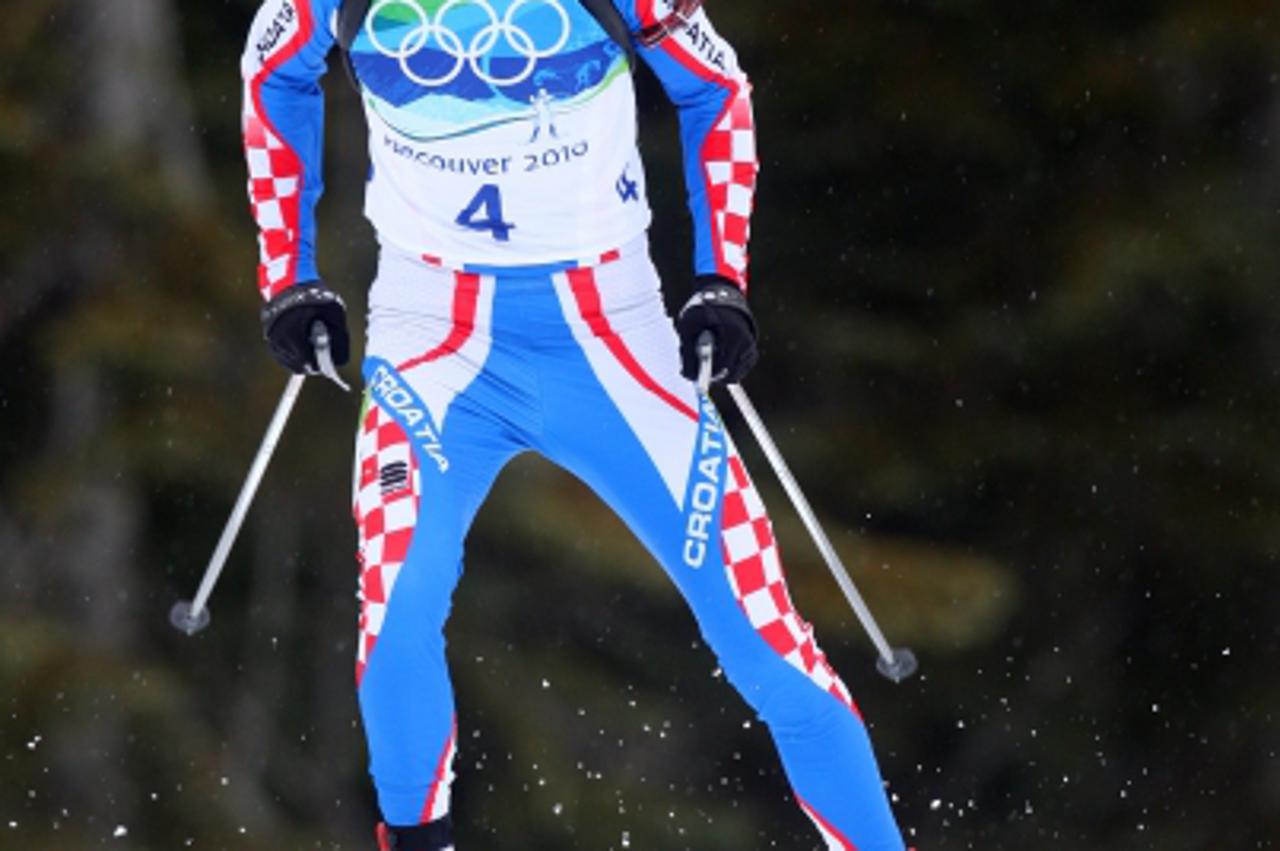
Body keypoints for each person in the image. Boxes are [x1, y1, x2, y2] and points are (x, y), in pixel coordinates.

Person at [240, 0, 908, 848]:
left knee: (765, 641)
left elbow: (717, 92)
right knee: (397, 611)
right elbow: (272, 74)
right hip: (432, 333)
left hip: (611, 335)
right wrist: (289, 274)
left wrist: (720, 280)